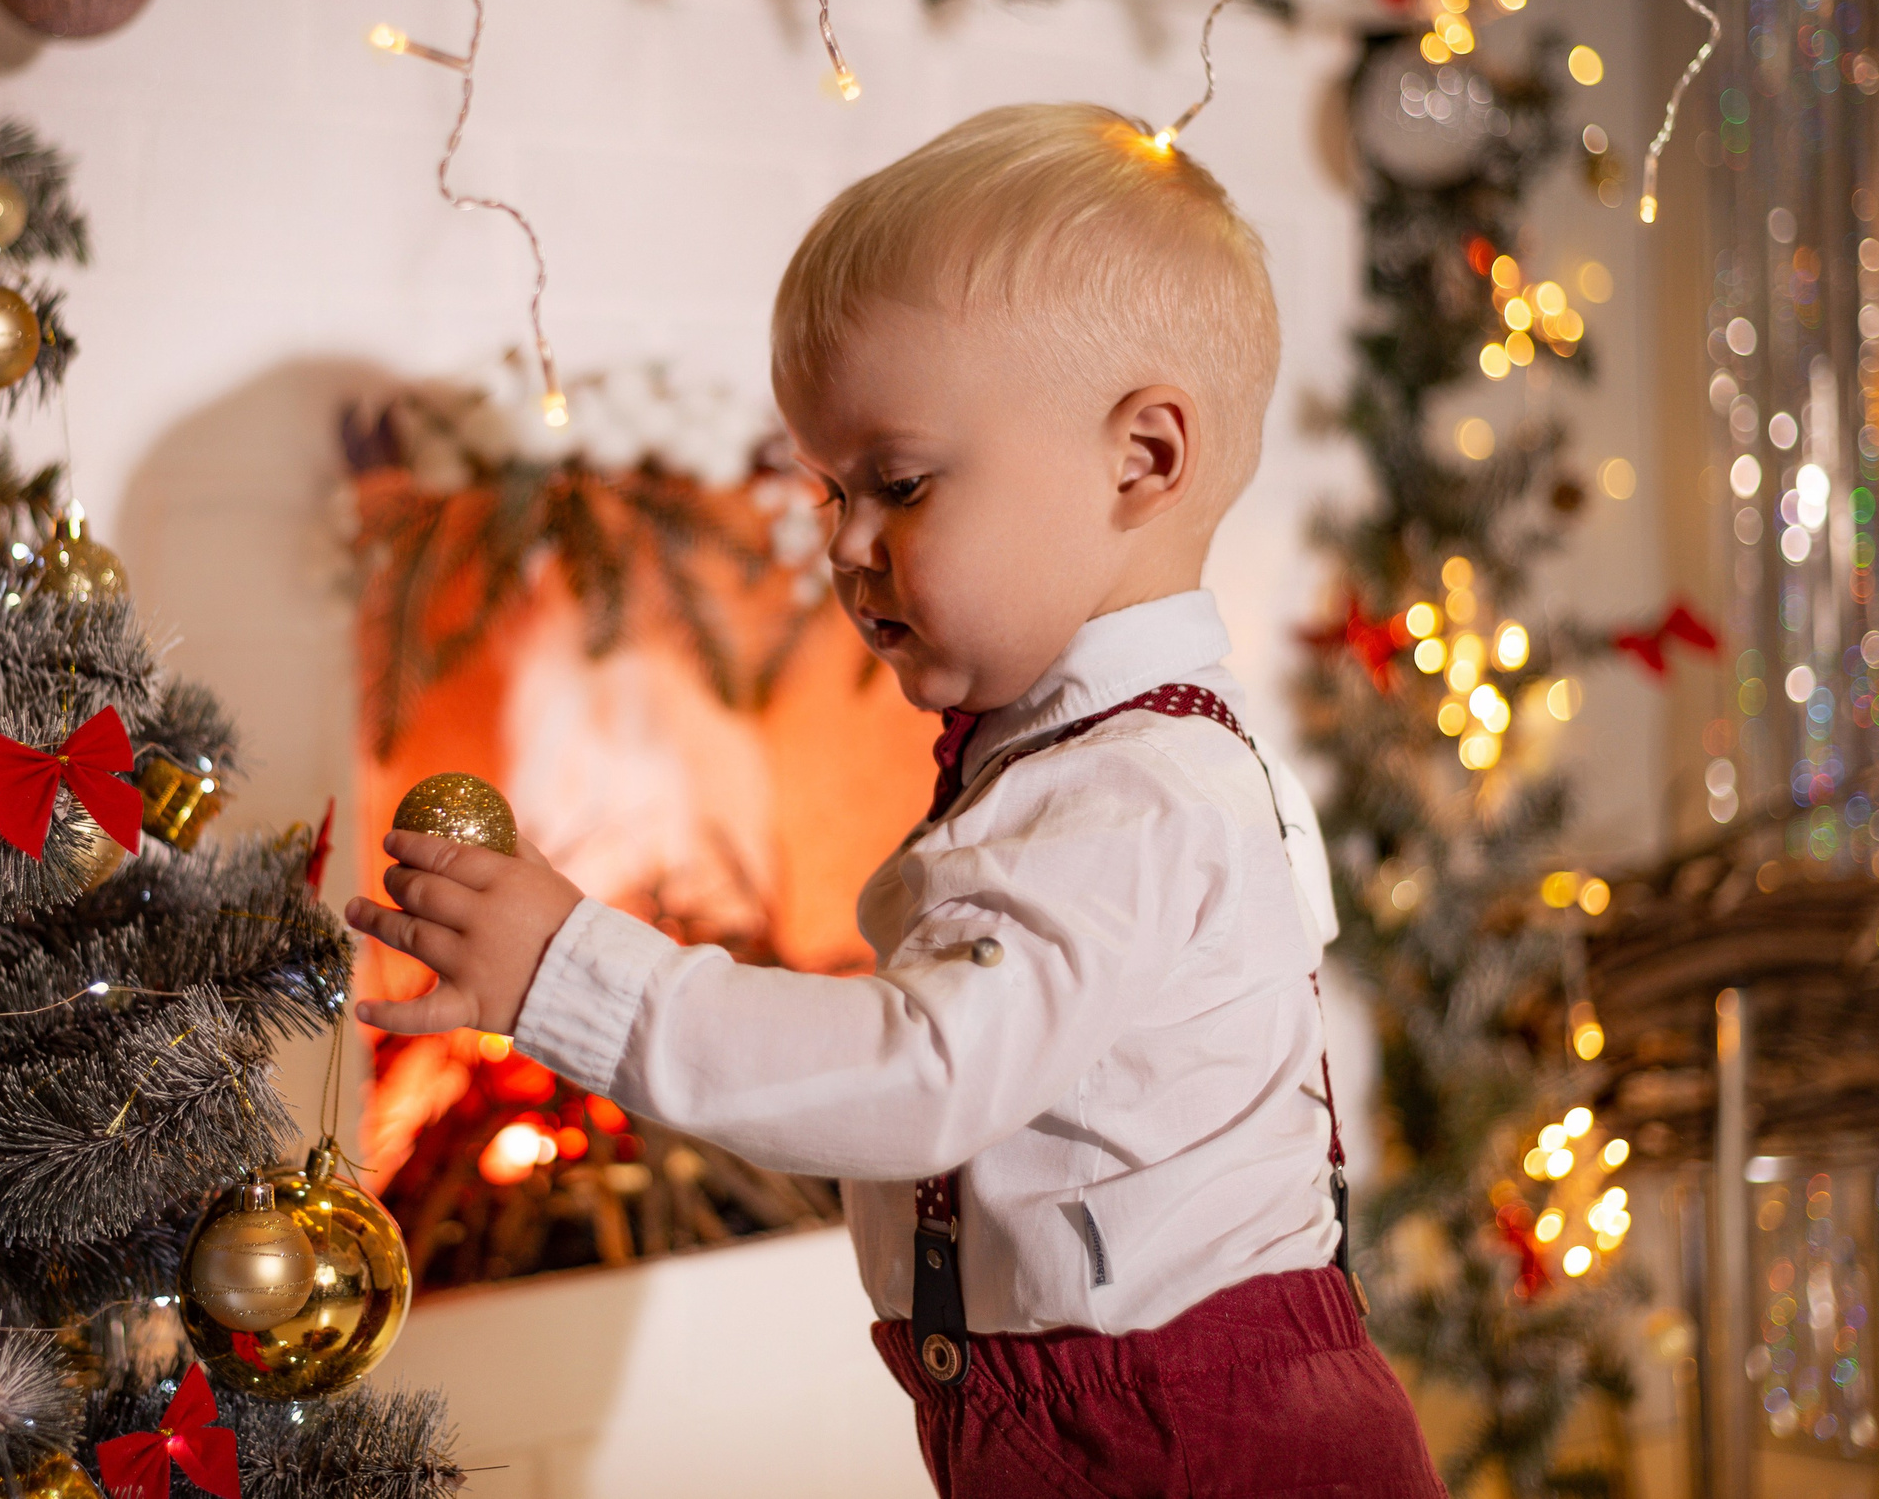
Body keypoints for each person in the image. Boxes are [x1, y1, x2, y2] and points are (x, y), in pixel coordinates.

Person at [350, 102, 1445, 1497]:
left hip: (1192, 1446)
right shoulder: (1065, 760)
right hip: (1083, 1420)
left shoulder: (1131, 796)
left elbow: (925, 1072)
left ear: (1144, 460)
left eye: (901, 483)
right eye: (827, 490)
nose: (848, 545)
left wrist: (579, 976)